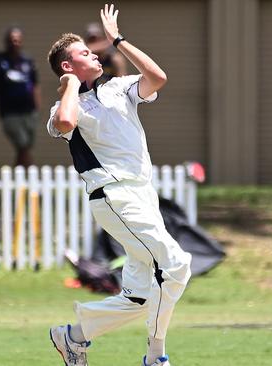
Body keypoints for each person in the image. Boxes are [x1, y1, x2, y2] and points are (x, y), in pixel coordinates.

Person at [46, 5, 191, 366]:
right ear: (67, 66)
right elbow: (64, 123)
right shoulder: (68, 104)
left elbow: (157, 78)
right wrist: (70, 84)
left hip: (142, 195)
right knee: (175, 266)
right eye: (83, 53)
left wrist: (119, 41)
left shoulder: (120, 88)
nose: (94, 54)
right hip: (114, 195)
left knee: (141, 294)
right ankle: (156, 356)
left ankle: (73, 336)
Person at [0, 26, 41, 166]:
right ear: (6, 41)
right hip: (9, 113)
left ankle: (18, 179)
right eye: (12, 40)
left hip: (29, 111)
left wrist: (37, 107)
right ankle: (29, 173)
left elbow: (35, 85)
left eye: (18, 40)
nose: (15, 42)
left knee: (24, 147)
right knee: (23, 145)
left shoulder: (27, 61)